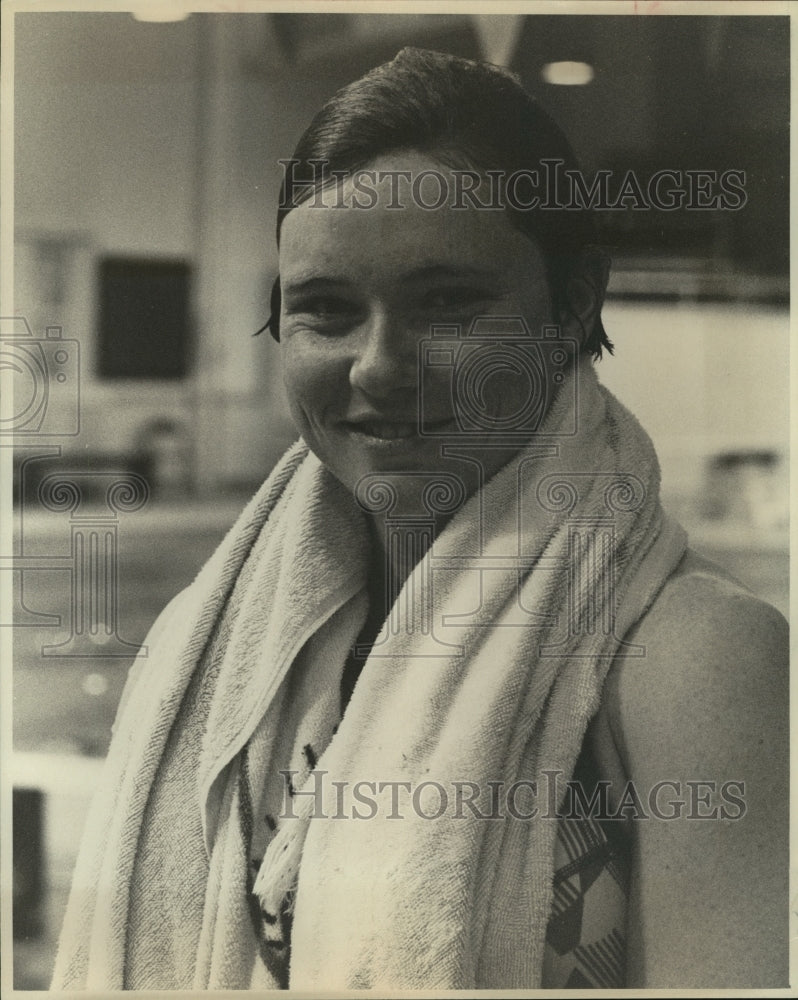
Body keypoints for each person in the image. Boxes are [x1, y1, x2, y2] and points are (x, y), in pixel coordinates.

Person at [52, 47, 787, 991]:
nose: (377, 368)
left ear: (572, 304)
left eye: (448, 304)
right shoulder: (207, 646)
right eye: (325, 310)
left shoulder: (693, 659)